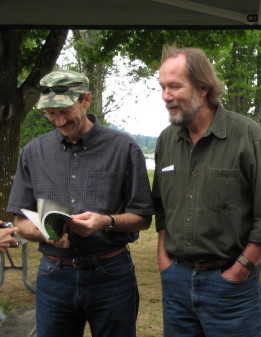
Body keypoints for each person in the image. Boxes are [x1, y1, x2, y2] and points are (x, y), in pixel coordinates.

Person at [152, 45, 261, 337]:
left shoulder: (248, 136)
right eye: (163, 87)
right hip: (176, 283)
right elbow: (162, 210)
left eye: (175, 86)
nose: (166, 96)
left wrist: (240, 269)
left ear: (203, 88)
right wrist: (164, 261)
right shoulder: (167, 141)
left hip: (230, 287)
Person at [7, 70, 154, 337]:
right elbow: (19, 220)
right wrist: (44, 233)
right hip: (54, 276)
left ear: (86, 99)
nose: (59, 120)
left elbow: (143, 217)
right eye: (50, 113)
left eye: (64, 110)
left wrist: (106, 222)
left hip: (112, 274)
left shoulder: (123, 148)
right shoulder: (33, 152)